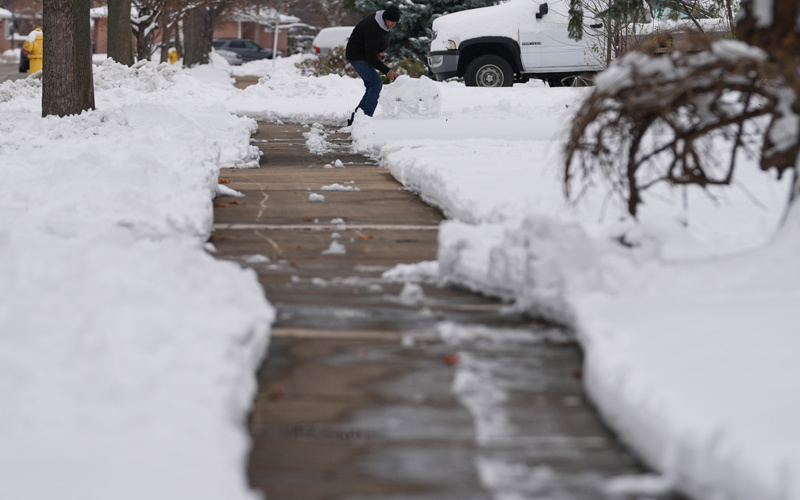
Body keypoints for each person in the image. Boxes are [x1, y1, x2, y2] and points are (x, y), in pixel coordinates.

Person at [345, 5, 401, 126]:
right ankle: (365, 118)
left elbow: (371, 47)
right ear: (385, 18)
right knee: (376, 83)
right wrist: (388, 71)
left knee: (372, 85)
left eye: (395, 22)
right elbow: (370, 57)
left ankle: (357, 119)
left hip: (363, 54)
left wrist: (377, 53)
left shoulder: (383, 24)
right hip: (357, 56)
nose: (393, 25)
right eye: (392, 21)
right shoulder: (373, 27)